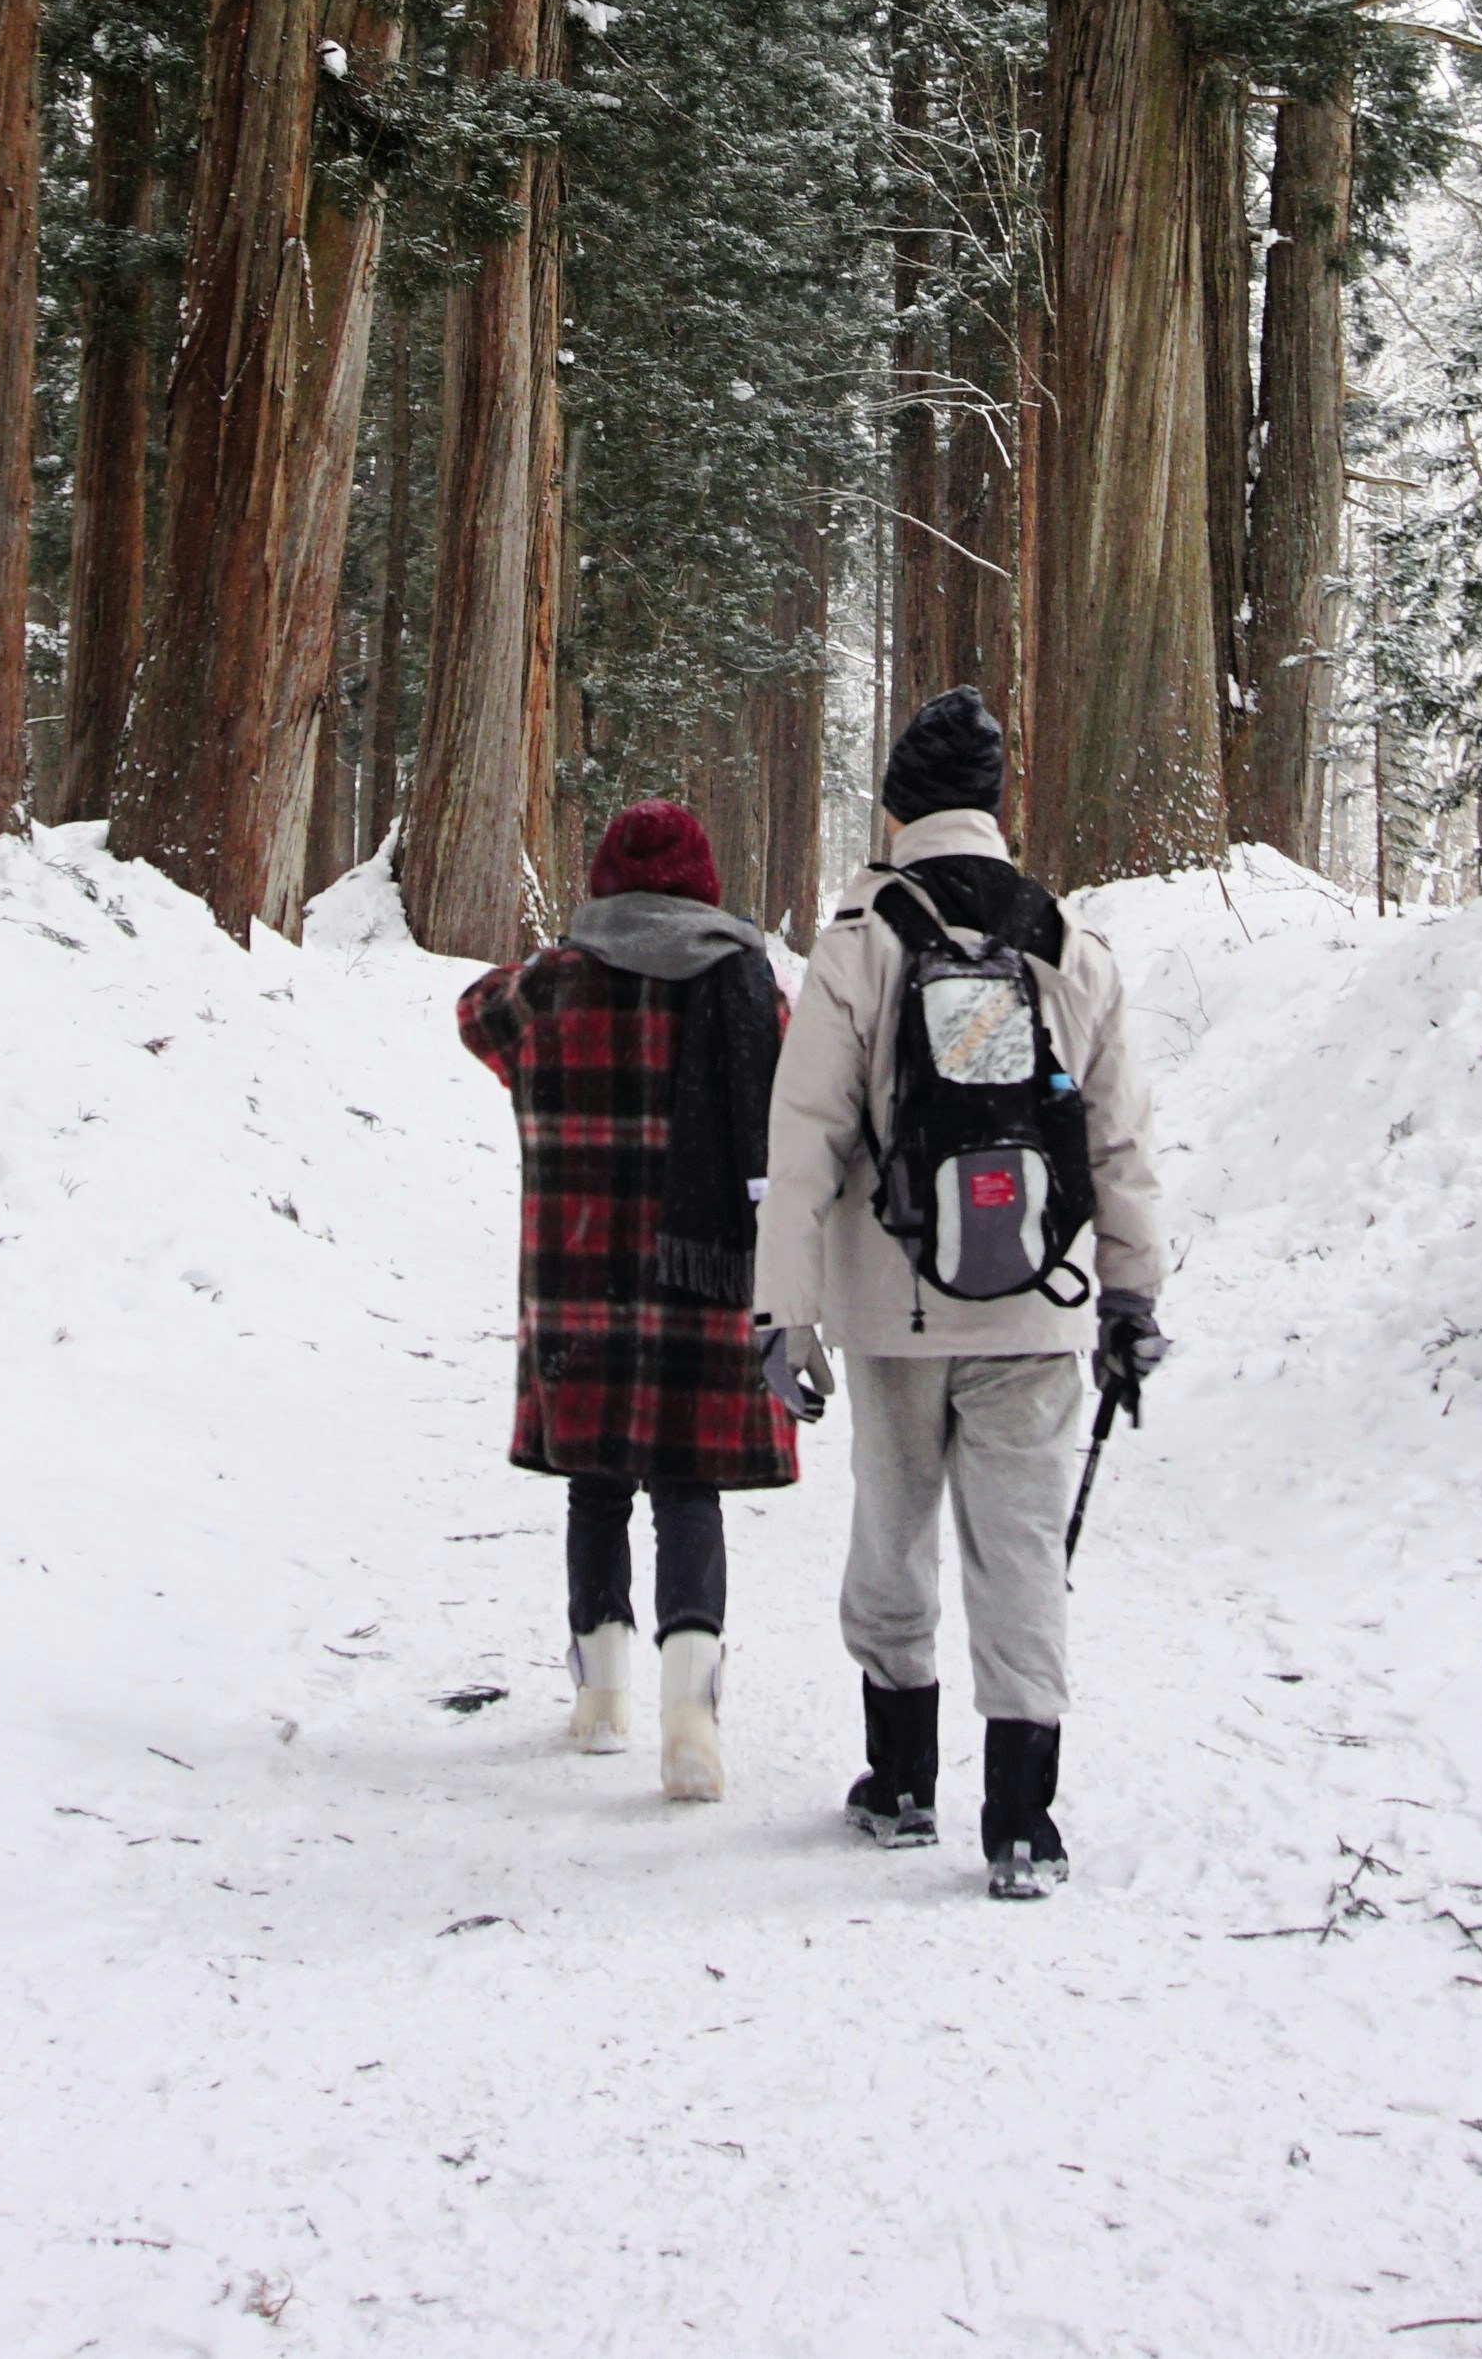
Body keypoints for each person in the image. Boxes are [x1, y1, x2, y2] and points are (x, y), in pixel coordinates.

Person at [749, 687, 1170, 1899]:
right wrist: (1131, 1297)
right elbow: (1121, 1143)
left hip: (893, 1306)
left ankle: (899, 1782)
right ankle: (1023, 1821)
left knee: (894, 1535)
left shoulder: (862, 938)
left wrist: (789, 1312)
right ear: (993, 804)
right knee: (1022, 1550)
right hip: (1039, 1302)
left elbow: (808, 1135)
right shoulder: (1067, 941)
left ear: (896, 805)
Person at [454, 799, 801, 1801]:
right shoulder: (750, 990)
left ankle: (601, 1692)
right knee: (687, 1485)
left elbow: (473, 1010)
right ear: (703, 882)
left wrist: (560, 946)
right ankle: (690, 1705)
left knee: (595, 1481)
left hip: (583, 1280)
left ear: (603, 880)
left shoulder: (553, 987)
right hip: (706, 1283)